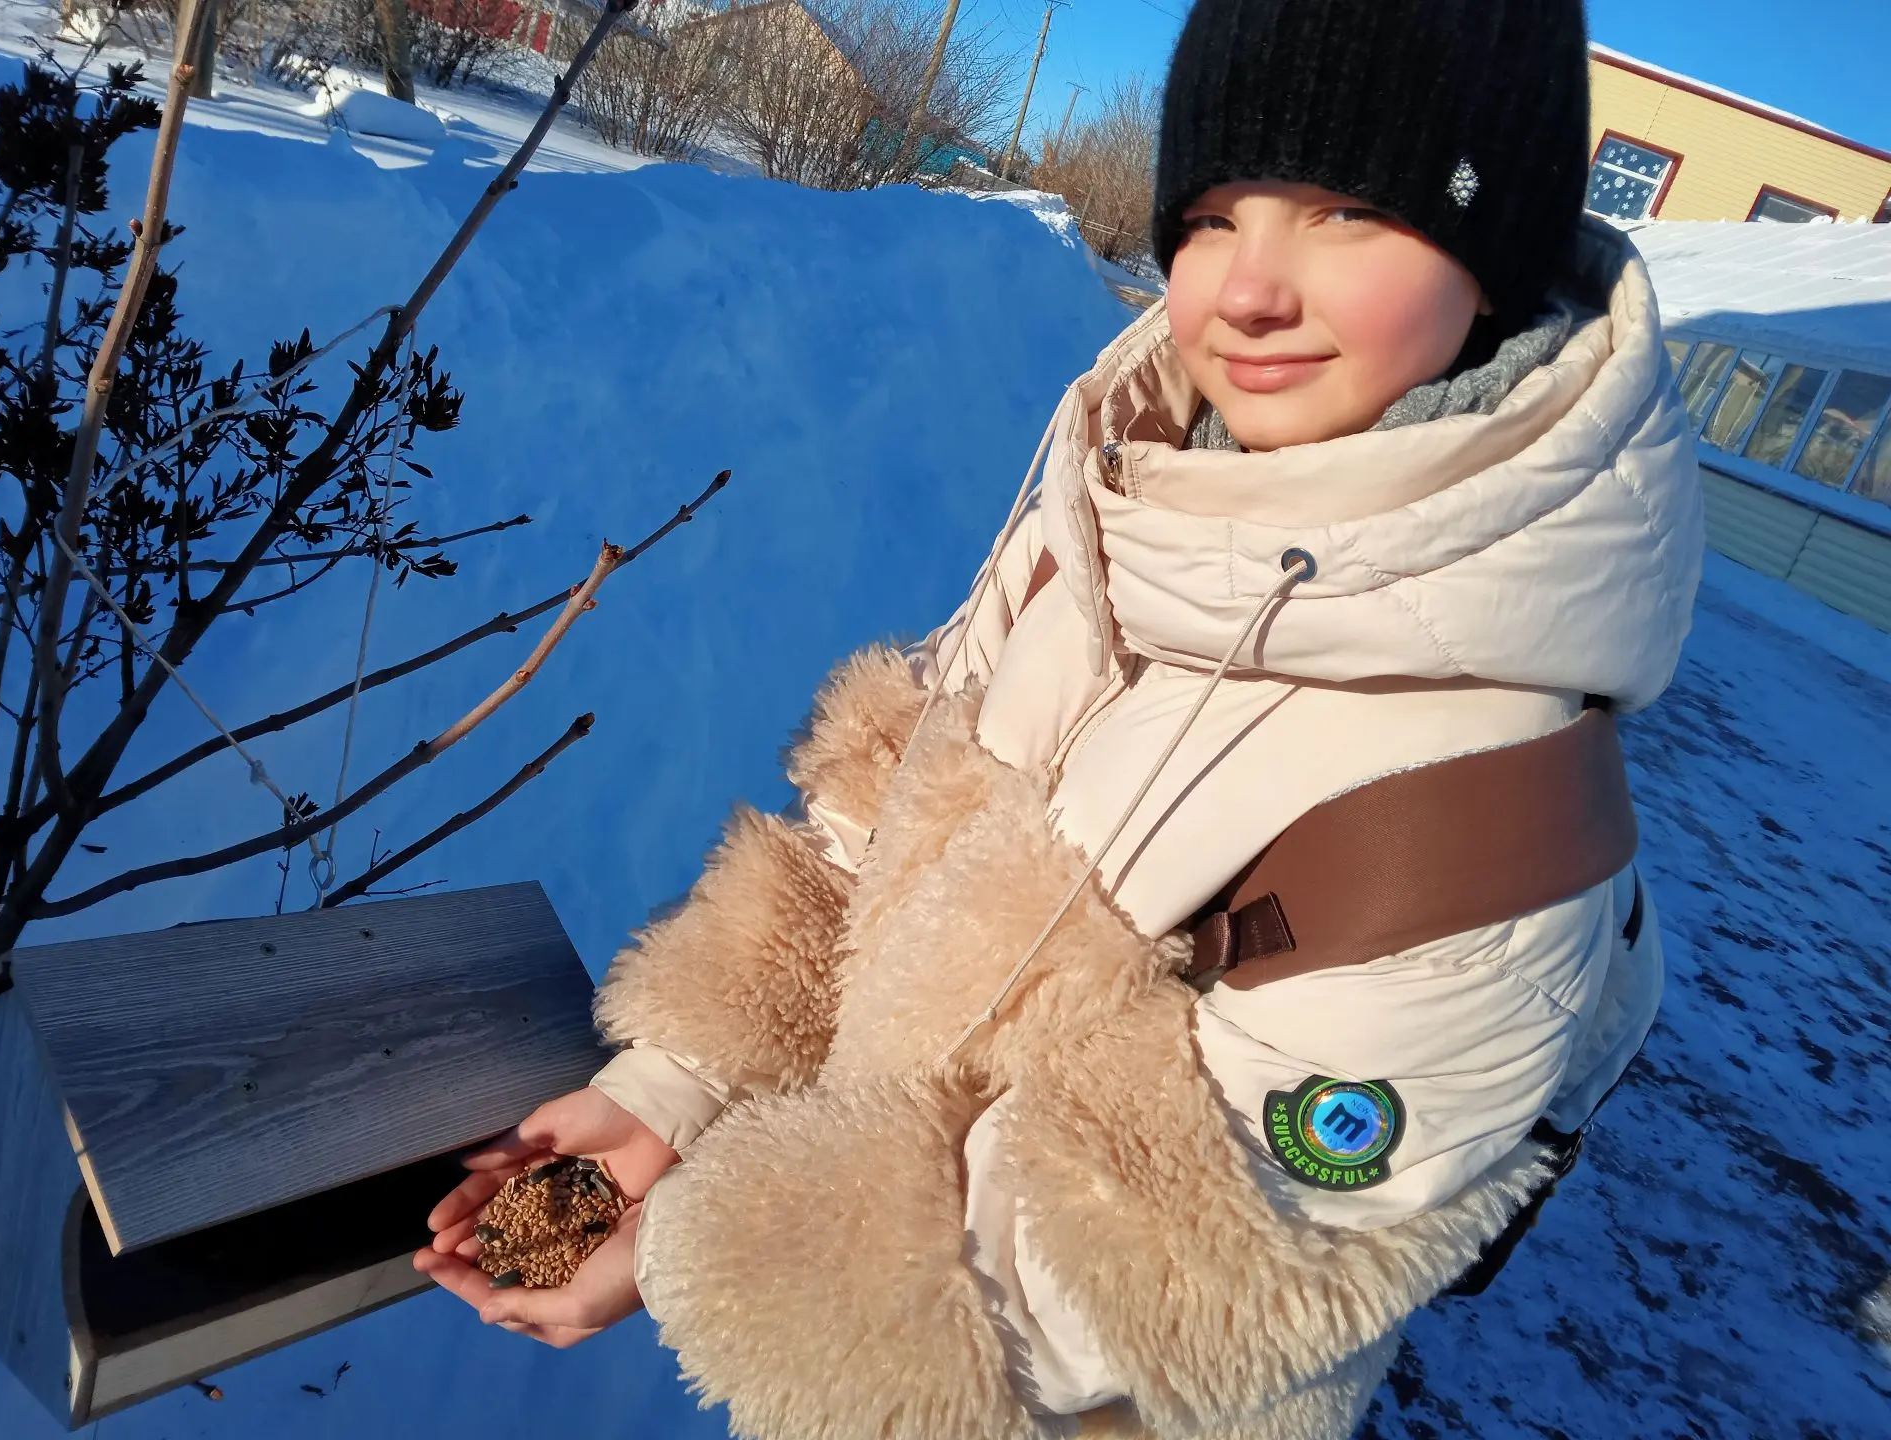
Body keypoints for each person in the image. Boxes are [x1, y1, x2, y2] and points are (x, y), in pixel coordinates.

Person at [416, 0, 1705, 1434]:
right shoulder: (1128, 504)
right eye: (1212, 215)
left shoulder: (1476, 794)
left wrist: (683, 1253)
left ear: (1495, 253)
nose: (1245, 290)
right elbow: (890, 818)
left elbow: (1176, 1261)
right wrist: (677, 1087)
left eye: (1348, 210)